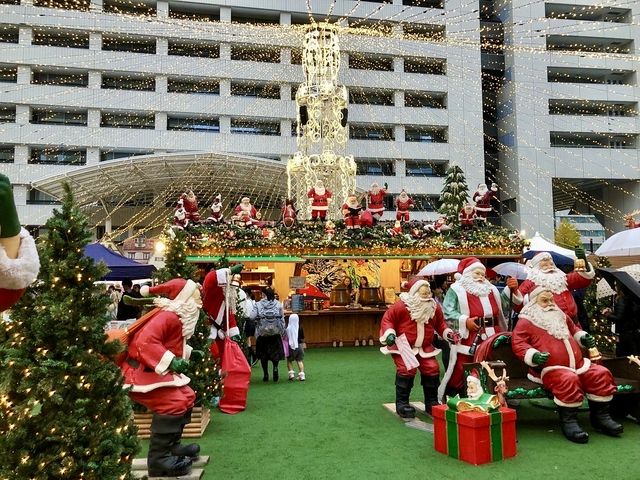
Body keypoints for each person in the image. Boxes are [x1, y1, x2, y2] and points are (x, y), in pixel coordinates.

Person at [511, 287, 622, 443]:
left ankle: (601, 417)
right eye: (545, 300)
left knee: (600, 374)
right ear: (534, 303)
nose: (550, 303)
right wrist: (533, 355)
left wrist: (582, 338)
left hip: (578, 364)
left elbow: (574, 329)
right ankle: (569, 421)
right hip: (549, 368)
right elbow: (518, 342)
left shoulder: (561, 315)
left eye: (551, 300)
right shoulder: (526, 321)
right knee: (567, 380)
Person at [122, 278, 204, 477]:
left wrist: (189, 353)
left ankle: (172, 446)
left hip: (155, 372)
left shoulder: (177, 318)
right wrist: (172, 361)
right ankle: (158, 459)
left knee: (188, 396)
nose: (200, 301)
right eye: (196, 297)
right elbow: (143, 343)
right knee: (173, 402)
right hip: (141, 373)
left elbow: (171, 344)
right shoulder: (168, 317)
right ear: (185, 299)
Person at [440, 257, 520, 399]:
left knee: (494, 364)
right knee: (464, 365)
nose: (480, 277)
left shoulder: (492, 290)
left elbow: (503, 307)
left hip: (493, 334)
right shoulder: (456, 290)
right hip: (470, 336)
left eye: (482, 274)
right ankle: (460, 393)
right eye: (476, 274)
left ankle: (496, 394)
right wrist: (465, 321)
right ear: (467, 274)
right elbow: (447, 311)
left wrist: (511, 289)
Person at [379, 278, 457, 417]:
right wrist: (389, 333)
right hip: (404, 345)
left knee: (432, 368)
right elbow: (388, 320)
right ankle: (402, 403)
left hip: (425, 347)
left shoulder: (434, 307)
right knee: (407, 369)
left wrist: (448, 334)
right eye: (423, 293)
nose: (427, 296)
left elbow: (440, 325)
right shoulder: (401, 306)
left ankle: (431, 402)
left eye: (428, 293)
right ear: (415, 292)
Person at [516, 250, 594, 322]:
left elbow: (581, 278)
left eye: (551, 264)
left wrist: (583, 261)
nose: (550, 267)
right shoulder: (531, 282)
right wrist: (513, 289)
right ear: (537, 268)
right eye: (545, 265)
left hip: (572, 323)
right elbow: (518, 302)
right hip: (547, 325)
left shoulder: (562, 278)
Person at [201, 264, 244, 360]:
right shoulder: (210, 287)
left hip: (220, 332)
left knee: (223, 356)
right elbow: (211, 277)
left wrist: (234, 332)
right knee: (213, 355)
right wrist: (230, 270)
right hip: (208, 330)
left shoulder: (225, 295)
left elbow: (229, 314)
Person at [251, 287, 285, 382]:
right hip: (275, 333)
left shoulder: (258, 304)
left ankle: (266, 374)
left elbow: (251, 316)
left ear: (263, 295)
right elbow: (282, 319)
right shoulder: (278, 304)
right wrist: (282, 331)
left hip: (263, 333)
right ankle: (275, 367)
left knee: (263, 355)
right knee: (275, 354)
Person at [602, 283, 640, 356]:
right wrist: (613, 312)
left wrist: (607, 314)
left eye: (616, 285)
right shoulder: (632, 299)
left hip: (625, 334)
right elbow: (627, 314)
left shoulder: (621, 300)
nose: (615, 287)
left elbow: (619, 318)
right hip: (633, 332)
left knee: (624, 355)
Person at [286, 313, 306, 381]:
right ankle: (302, 375)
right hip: (300, 346)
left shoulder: (288, 328)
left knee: (289, 360)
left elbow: (286, 337)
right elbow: (303, 337)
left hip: (291, 346)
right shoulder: (300, 327)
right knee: (299, 360)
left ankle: (291, 374)